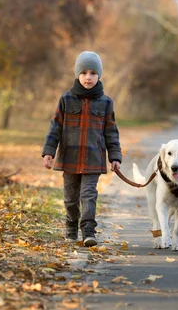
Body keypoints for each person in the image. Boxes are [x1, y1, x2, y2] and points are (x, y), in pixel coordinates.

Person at [42, 51, 122, 247]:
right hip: (70, 157)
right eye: (84, 72)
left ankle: (88, 230)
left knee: (88, 195)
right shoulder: (66, 99)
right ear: (77, 74)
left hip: (93, 159)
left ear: (99, 75)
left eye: (93, 73)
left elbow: (111, 132)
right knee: (70, 198)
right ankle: (71, 223)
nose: (88, 77)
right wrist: (49, 151)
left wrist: (115, 157)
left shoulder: (106, 102)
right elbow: (55, 128)